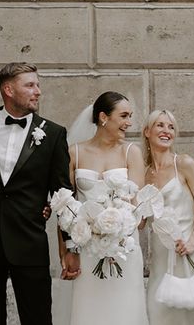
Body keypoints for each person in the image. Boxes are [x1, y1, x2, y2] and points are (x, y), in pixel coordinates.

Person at [0, 62, 73, 325]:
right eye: (30, 85)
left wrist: (70, 244)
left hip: (28, 237)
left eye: (38, 85)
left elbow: (62, 192)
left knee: (36, 316)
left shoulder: (53, 133)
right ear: (8, 89)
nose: (38, 91)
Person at [62, 91, 149, 325]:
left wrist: (119, 227)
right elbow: (65, 207)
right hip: (87, 250)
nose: (129, 122)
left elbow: (137, 208)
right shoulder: (75, 152)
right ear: (103, 117)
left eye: (130, 116)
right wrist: (68, 250)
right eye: (123, 116)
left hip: (124, 249)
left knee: (125, 312)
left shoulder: (131, 152)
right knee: (89, 312)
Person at [143, 109, 194, 325]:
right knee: (157, 316)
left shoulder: (183, 163)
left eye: (171, 127)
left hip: (189, 257)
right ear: (147, 131)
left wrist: (193, 242)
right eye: (160, 125)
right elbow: (141, 222)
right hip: (160, 262)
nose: (166, 131)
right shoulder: (144, 174)